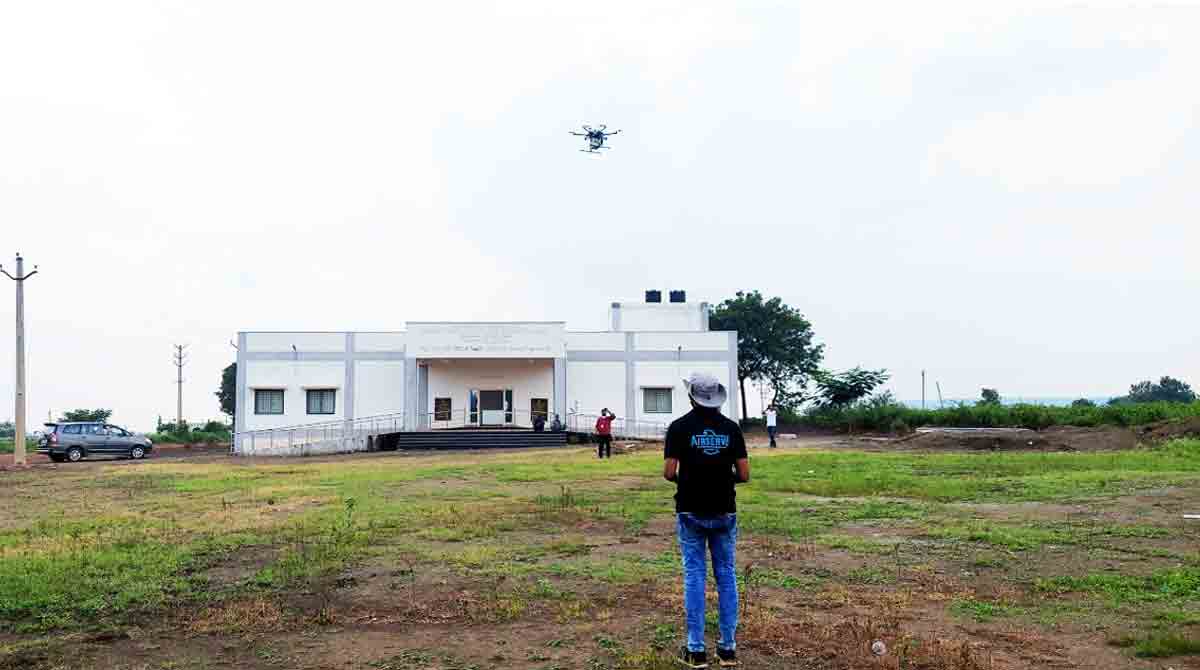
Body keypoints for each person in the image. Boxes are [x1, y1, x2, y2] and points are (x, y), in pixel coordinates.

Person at [664, 372, 749, 668]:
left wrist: (688, 480)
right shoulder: (731, 429)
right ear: (716, 398)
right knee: (726, 574)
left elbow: (668, 471)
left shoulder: (678, 428)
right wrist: (723, 480)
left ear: (691, 396)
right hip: (725, 509)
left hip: (690, 509)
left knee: (694, 576)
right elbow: (745, 474)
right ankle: (727, 649)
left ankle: (696, 650)